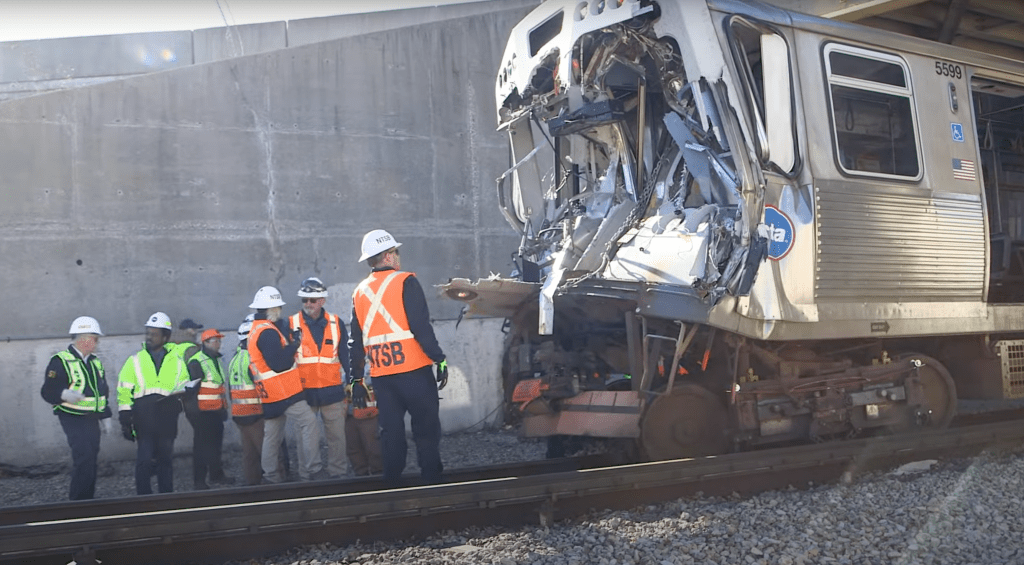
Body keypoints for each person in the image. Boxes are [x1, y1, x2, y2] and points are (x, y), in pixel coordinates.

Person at [348, 229, 449, 485]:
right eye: (396, 251)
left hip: (382, 377)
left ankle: (392, 485)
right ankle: (431, 482)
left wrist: (356, 379)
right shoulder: (406, 281)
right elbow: (420, 327)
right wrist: (439, 359)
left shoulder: (359, 292)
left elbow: (356, 342)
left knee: (391, 433)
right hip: (414, 372)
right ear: (387, 255)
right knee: (426, 430)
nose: (398, 256)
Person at [247, 286, 324, 483]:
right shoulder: (268, 332)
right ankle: (313, 468)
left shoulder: (255, 330)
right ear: (271, 309)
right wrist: (294, 346)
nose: (280, 312)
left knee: (272, 435)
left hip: (269, 394)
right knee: (308, 422)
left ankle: (271, 476)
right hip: (284, 392)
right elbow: (279, 364)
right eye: (278, 308)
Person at [40, 316, 113, 500]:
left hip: (92, 418)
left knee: (91, 457)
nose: (97, 343)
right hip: (72, 417)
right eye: (95, 338)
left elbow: (102, 392)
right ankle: (78, 503)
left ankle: (87, 499)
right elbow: (47, 391)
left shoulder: (95, 362)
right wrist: (63, 394)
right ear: (84, 338)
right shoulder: (60, 361)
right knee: (84, 457)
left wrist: (106, 416)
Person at [117, 312, 190, 495]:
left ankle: (166, 498)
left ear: (166, 337)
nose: (149, 337)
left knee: (165, 460)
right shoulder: (135, 360)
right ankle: (144, 499)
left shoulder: (178, 361)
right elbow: (124, 389)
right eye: (148, 333)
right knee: (144, 460)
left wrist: (179, 402)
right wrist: (125, 415)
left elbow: (184, 385)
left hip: (167, 418)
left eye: (154, 334)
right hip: (144, 418)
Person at [289, 277, 349, 478]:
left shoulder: (336, 323)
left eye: (312, 300)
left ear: (322, 300)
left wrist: (352, 381)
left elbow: (345, 356)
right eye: (305, 300)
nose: (308, 304)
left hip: (332, 391)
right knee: (305, 438)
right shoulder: (290, 324)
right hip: (303, 394)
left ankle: (338, 474)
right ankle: (307, 477)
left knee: (337, 437)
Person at [184, 328, 233, 489]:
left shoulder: (216, 359)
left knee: (215, 445)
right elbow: (191, 390)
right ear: (205, 343)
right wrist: (194, 413)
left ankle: (216, 475)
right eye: (215, 341)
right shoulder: (197, 361)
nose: (218, 344)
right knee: (201, 448)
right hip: (202, 413)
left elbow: (218, 387)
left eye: (219, 340)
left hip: (216, 411)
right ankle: (199, 481)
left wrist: (223, 409)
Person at [227, 315, 265, 486]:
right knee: (267, 452)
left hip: (239, 414)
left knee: (249, 454)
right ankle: (277, 485)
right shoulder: (251, 359)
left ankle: (252, 485)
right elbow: (261, 387)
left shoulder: (234, 359)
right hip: (255, 413)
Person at [344, 370, 383, 476]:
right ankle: (361, 479)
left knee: (374, 449)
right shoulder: (342, 355)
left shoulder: (367, 356)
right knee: (354, 450)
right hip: (348, 413)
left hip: (368, 412)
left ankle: (379, 479)